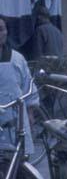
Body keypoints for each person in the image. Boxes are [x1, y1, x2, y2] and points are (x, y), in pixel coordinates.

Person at [0, 15, 39, 155]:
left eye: (1, 29)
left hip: (16, 116)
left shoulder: (17, 59)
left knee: (18, 162)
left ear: (6, 32)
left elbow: (28, 86)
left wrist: (30, 112)